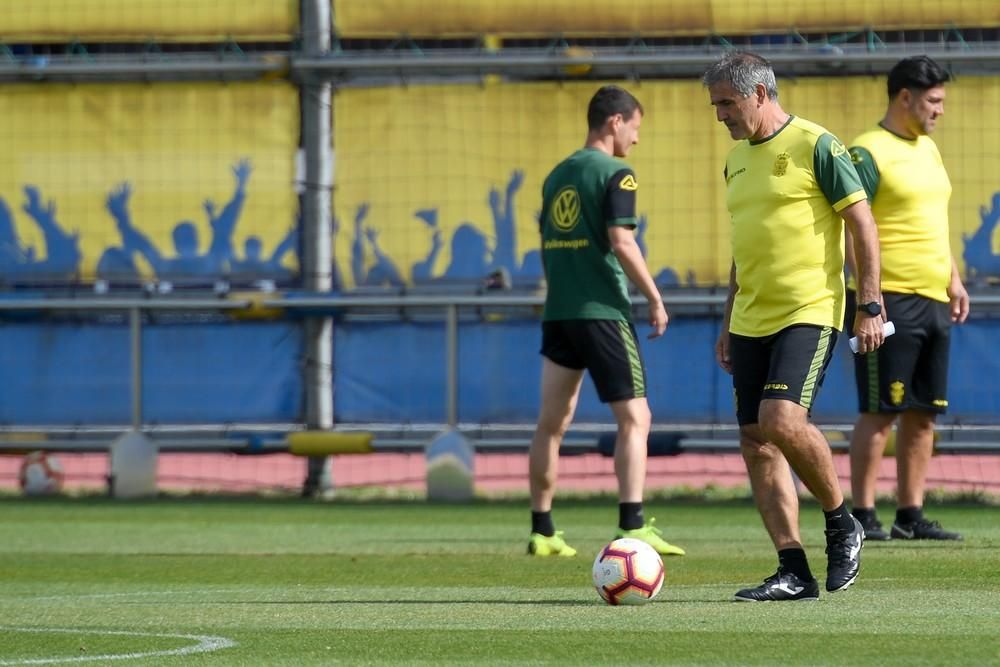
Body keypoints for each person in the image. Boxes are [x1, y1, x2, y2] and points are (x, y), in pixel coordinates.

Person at [703, 51, 885, 601]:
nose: (720, 116)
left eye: (727, 104)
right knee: (756, 442)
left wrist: (870, 304)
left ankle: (840, 521)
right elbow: (744, 246)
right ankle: (792, 569)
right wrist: (729, 318)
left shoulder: (817, 145)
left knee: (780, 419)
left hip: (809, 309)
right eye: (715, 106)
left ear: (760, 93)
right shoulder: (735, 161)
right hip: (751, 315)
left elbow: (862, 223)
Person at [527, 85, 684, 558]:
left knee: (550, 424)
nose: (636, 140)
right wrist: (655, 298)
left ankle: (543, 530)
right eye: (635, 128)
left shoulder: (557, 176)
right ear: (616, 121)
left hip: (560, 313)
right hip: (603, 312)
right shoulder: (618, 174)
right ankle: (632, 526)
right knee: (636, 418)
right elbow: (621, 240)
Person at [845, 56, 969, 541]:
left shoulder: (929, 150)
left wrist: (953, 279)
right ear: (905, 97)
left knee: (924, 413)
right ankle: (863, 514)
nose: (940, 111)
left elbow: (933, 225)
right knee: (881, 411)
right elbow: (852, 230)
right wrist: (867, 299)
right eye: (934, 101)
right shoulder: (866, 152)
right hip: (889, 300)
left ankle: (909, 515)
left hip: (933, 297)